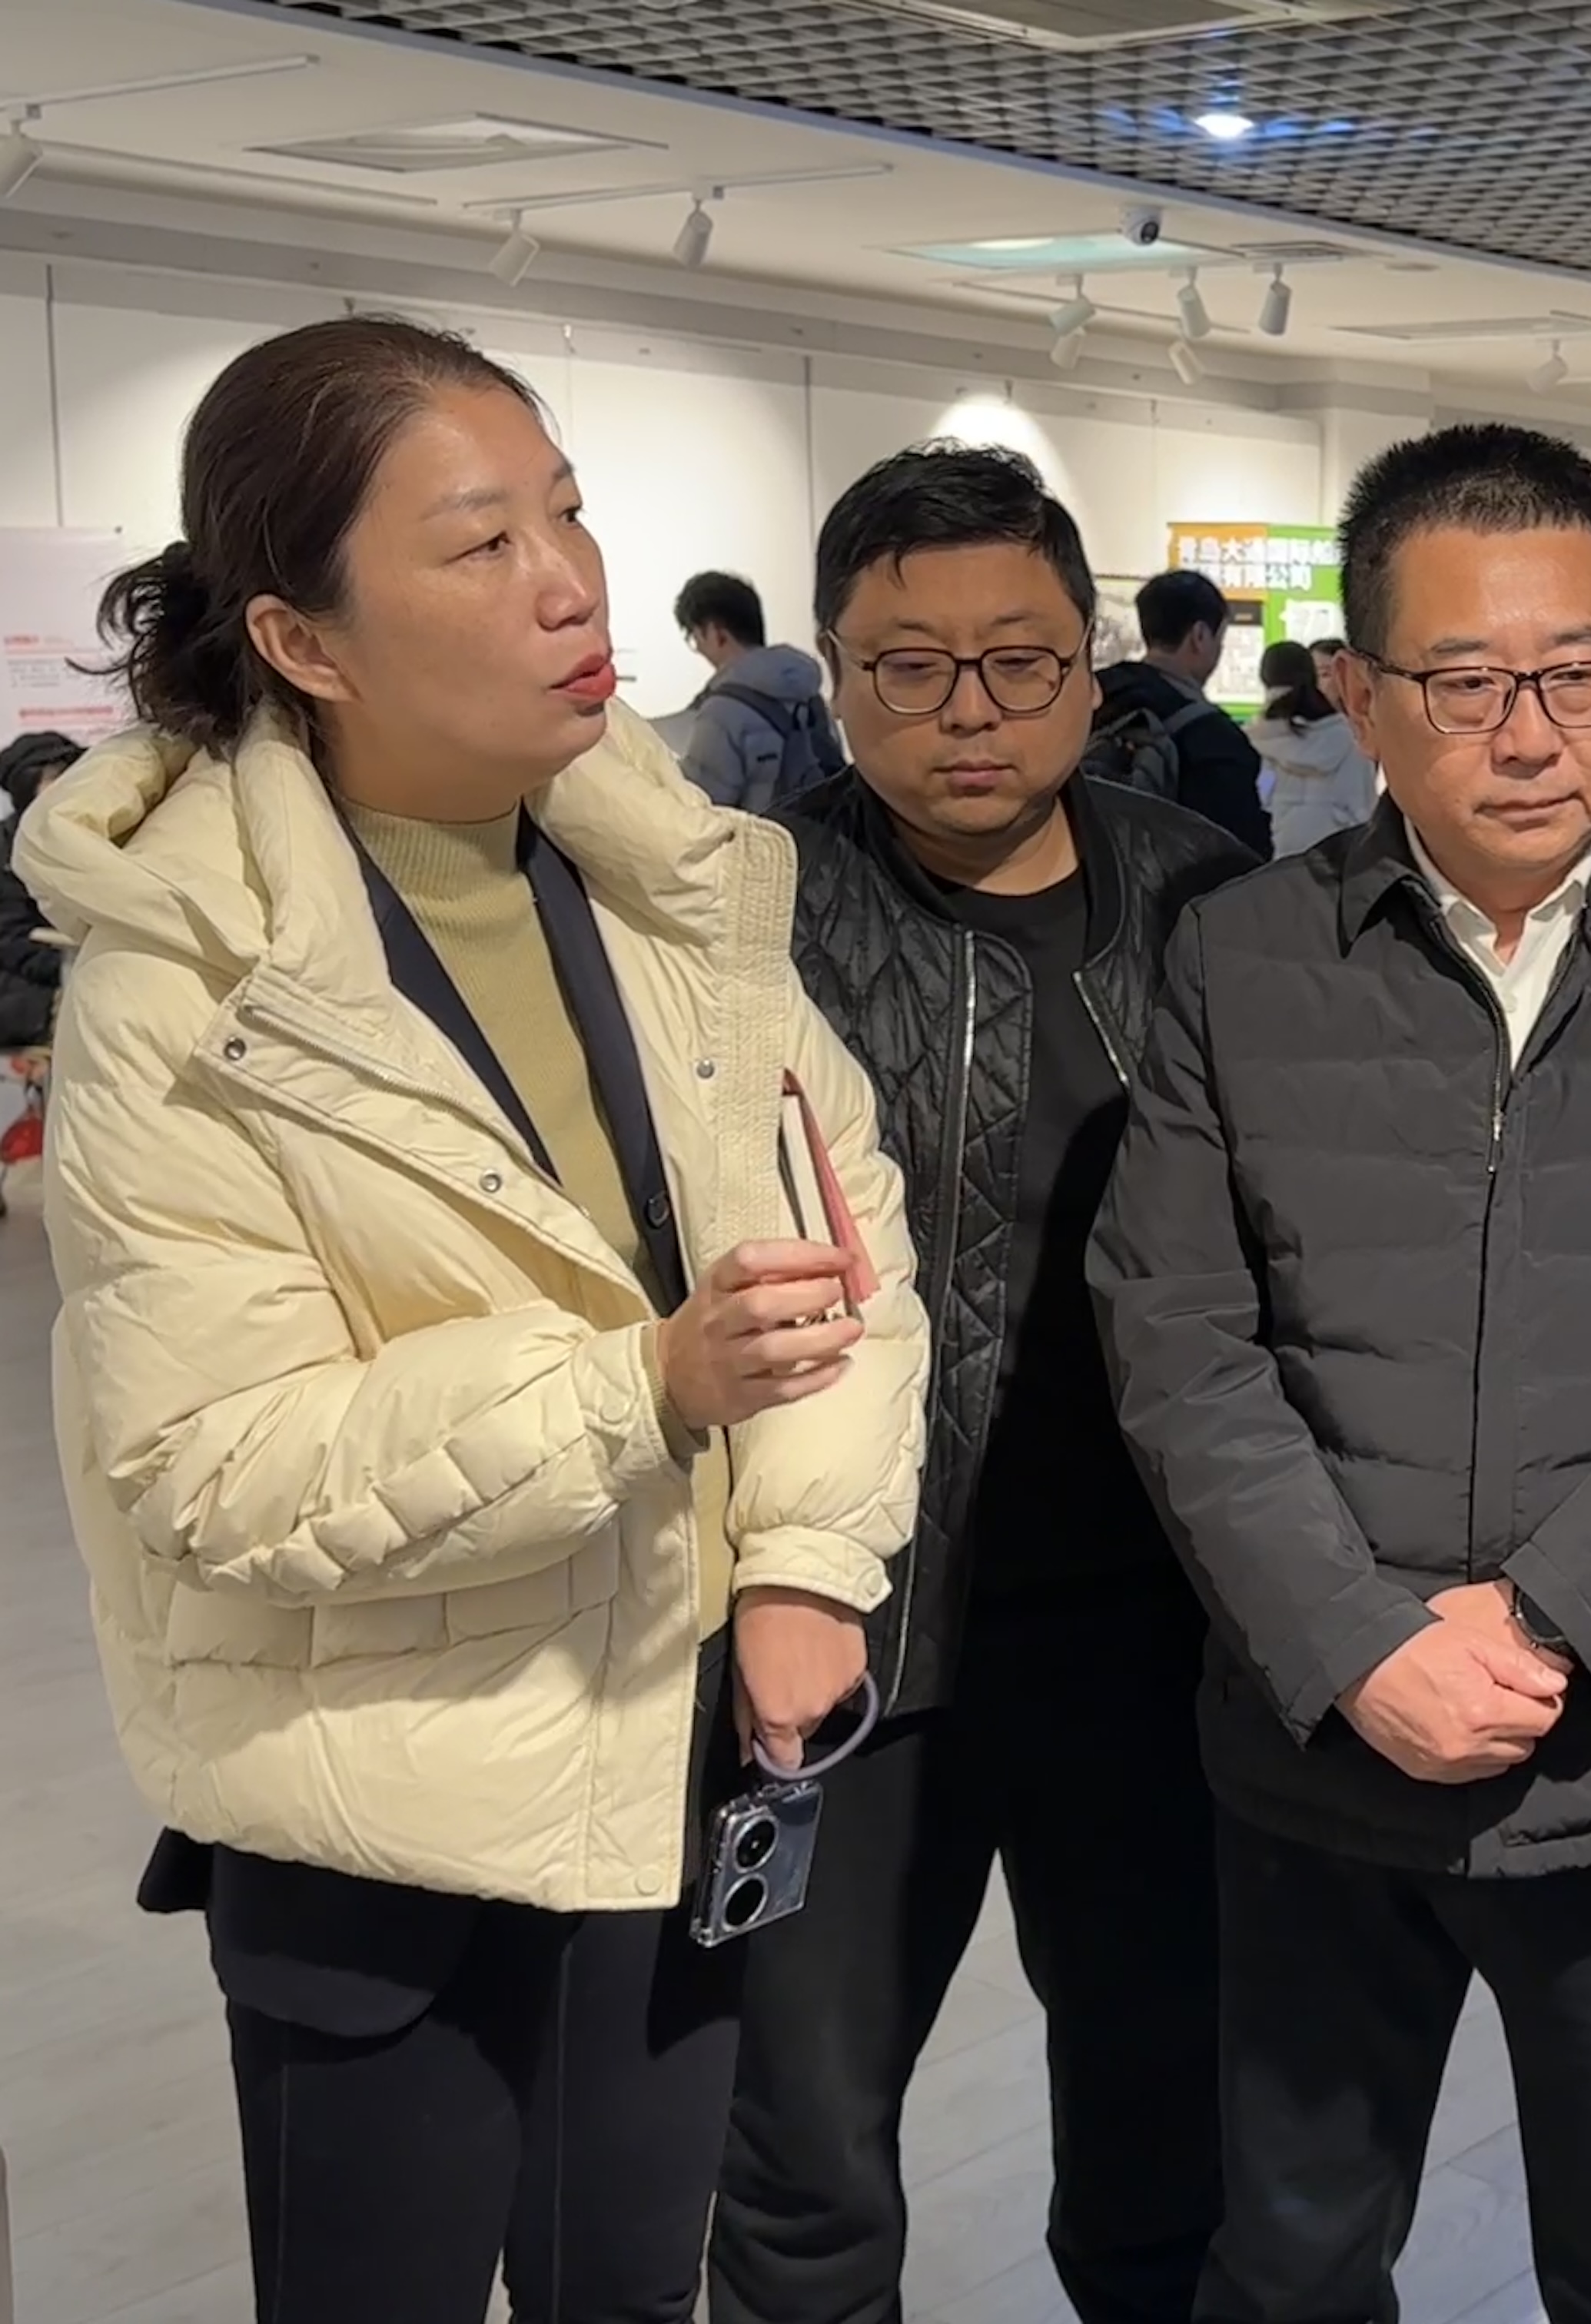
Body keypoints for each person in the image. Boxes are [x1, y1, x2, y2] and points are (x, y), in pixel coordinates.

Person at [19, 314, 927, 2324]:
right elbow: (210, 1463)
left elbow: (844, 1253)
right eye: (479, 543)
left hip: (675, 1745)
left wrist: (804, 1560)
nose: (571, 584)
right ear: (305, 641)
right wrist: (637, 1387)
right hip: (381, 1804)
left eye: (569, 515)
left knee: (634, 2288)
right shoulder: (188, 989)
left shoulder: (668, 890)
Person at [1090, 422, 1591, 2324]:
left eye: (1576, 675)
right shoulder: (1246, 955)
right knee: (1290, 2257)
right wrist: (1357, 1642)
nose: (1529, 735)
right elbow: (1179, 1333)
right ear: (1363, 695)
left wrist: (1546, 1620)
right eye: (1465, 684)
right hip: (1322, 1749)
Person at [711, 443, 1251, 2324]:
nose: (969, 710)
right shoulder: (742, 916)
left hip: (1153, 1632)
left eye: (1019, 661)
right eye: (909, 665)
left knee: (1166, 2127)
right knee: (801, 2152)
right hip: (842, 1625)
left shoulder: (1208, 904)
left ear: (1087, 670)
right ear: (836, 669)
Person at [1092, 569, 1270, 855]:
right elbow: (1241, 856)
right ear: (1200, 636)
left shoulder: (1094, 696)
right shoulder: (1213, 736)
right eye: (1220, 638)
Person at [676, 568, 847, 813]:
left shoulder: (722, 711)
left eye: (695, 638)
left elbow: (700, 810)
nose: (700, 649)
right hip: (825, 832)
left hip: (766, 837)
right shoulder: (808, 692)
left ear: (716, 633)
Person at [1246, 634, 1378, 855]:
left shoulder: (1258, 738)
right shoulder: (1346, 736)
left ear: (1264, 678)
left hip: (1277, 854)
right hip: (1336, 856)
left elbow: (1263, 792)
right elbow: (1362, 804)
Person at [0, 729, 84, 1047]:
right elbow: (11, 938)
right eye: (54, 777)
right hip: (29, 986)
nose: (67, 786)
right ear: (27, 786)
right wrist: (77, 968)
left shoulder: (90, 836)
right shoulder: (6, 849)